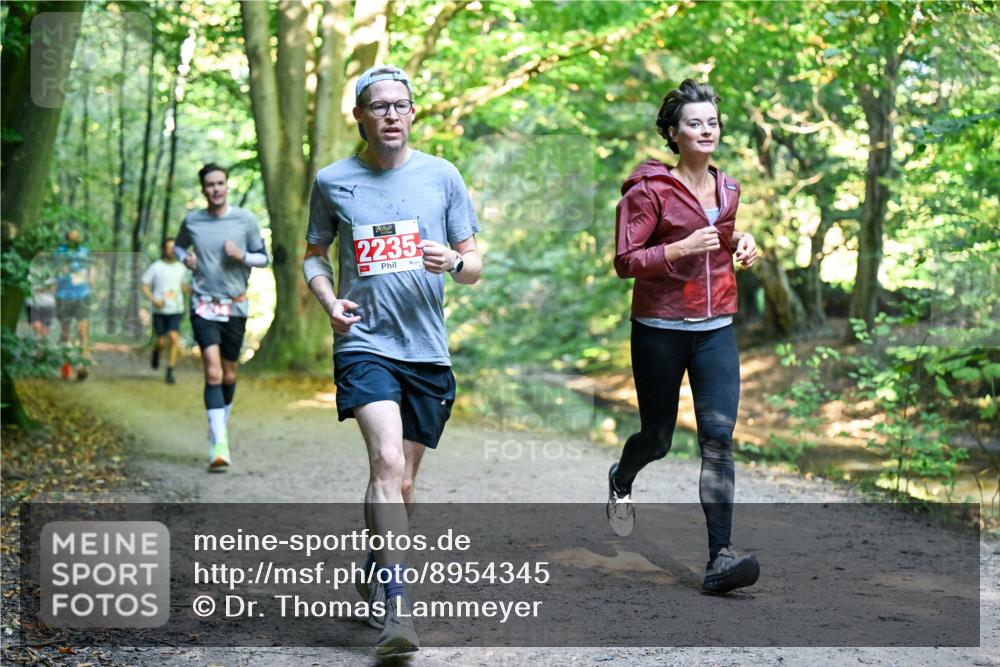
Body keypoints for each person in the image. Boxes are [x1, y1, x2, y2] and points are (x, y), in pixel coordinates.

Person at [303, 65, 481, 656]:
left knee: (402, 482)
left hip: (426, 350)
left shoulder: (442, 176)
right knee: (383, 459)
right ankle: (398, 612)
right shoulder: (333, 181)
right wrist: (329, 301)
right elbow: (313, 254)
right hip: (364, 343)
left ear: (413, 112)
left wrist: (453, 263)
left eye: (400, 105)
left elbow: (474, 264)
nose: (391, 115)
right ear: (360, 116)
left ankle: (378, 564)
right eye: (379, 106)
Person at [607, 79, 761, 595]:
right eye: (694, 123)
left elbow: (720, 238)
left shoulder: (729, 188)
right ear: (674, 133)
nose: (706, 130)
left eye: (712, 122)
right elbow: (626, 261)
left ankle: (721, 557)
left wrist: (742, 241)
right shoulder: (648, 190)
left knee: (718, 439)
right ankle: (622, 477)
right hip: (660, 329)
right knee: (657, 438)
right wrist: (679, 249)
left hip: (716, 328)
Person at [174, 164, 269, 472]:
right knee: (213, 371)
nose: (215, 189)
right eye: (210, 185)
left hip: (235, 306)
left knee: (228, 374)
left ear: (227, 186)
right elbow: (178, 247)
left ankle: (219, 426)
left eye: (220, 183)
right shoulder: (193, 221)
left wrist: (242, 257)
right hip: (203, 304)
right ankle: (219, 444)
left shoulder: (245, 220)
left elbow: (264, 258)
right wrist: (186, 259)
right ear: (203, 190)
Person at [141, 237, 190, 384]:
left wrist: (194, 290)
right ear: (163, 249)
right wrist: (154, 300)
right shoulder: (156, 267)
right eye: (168, 248)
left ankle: (170, 370)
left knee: (174, 338)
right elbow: (144, 285)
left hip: (176, 309)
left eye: (174, 248)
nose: (171, 251)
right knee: (161, 342)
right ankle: (156, 352)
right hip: (160, 310)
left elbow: (183, 286)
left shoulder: (182, 268)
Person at [54, 229, 93, 381]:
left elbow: (89, 269)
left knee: (83, 330)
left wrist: (91, 278)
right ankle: (66, 365)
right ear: (67, 236)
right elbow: (59, 269)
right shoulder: (60, 251)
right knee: (66, 332)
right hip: (64, 296)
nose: (74, 237)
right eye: (71, 234)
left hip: (82, 295)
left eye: (76, 234)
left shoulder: (84, 251)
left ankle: (83, 366)